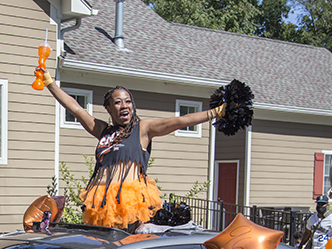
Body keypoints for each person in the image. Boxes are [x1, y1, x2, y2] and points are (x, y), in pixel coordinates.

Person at [36, 68, 226, 230]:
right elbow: (76, 109)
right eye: (117, 102)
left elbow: (178, 121)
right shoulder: (103, 130)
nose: (124, 105)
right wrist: (49, 83)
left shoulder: (142, 129)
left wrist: (215, 112)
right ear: (109, 109)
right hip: (101, 204)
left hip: (130, 204)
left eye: (128, 101)